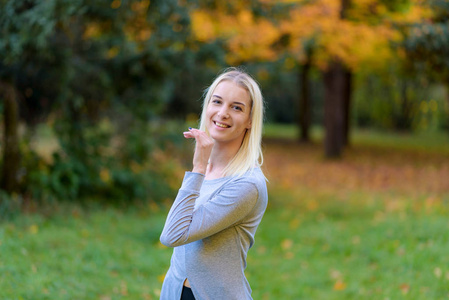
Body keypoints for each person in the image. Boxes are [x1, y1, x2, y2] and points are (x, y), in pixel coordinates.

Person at [159, 67, 268, 300]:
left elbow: (172, 235)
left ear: (250, 120)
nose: (223, 113)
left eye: (236, 107)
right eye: (217, 102)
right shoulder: (205, 172)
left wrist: (197, 169)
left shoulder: (247, 184)